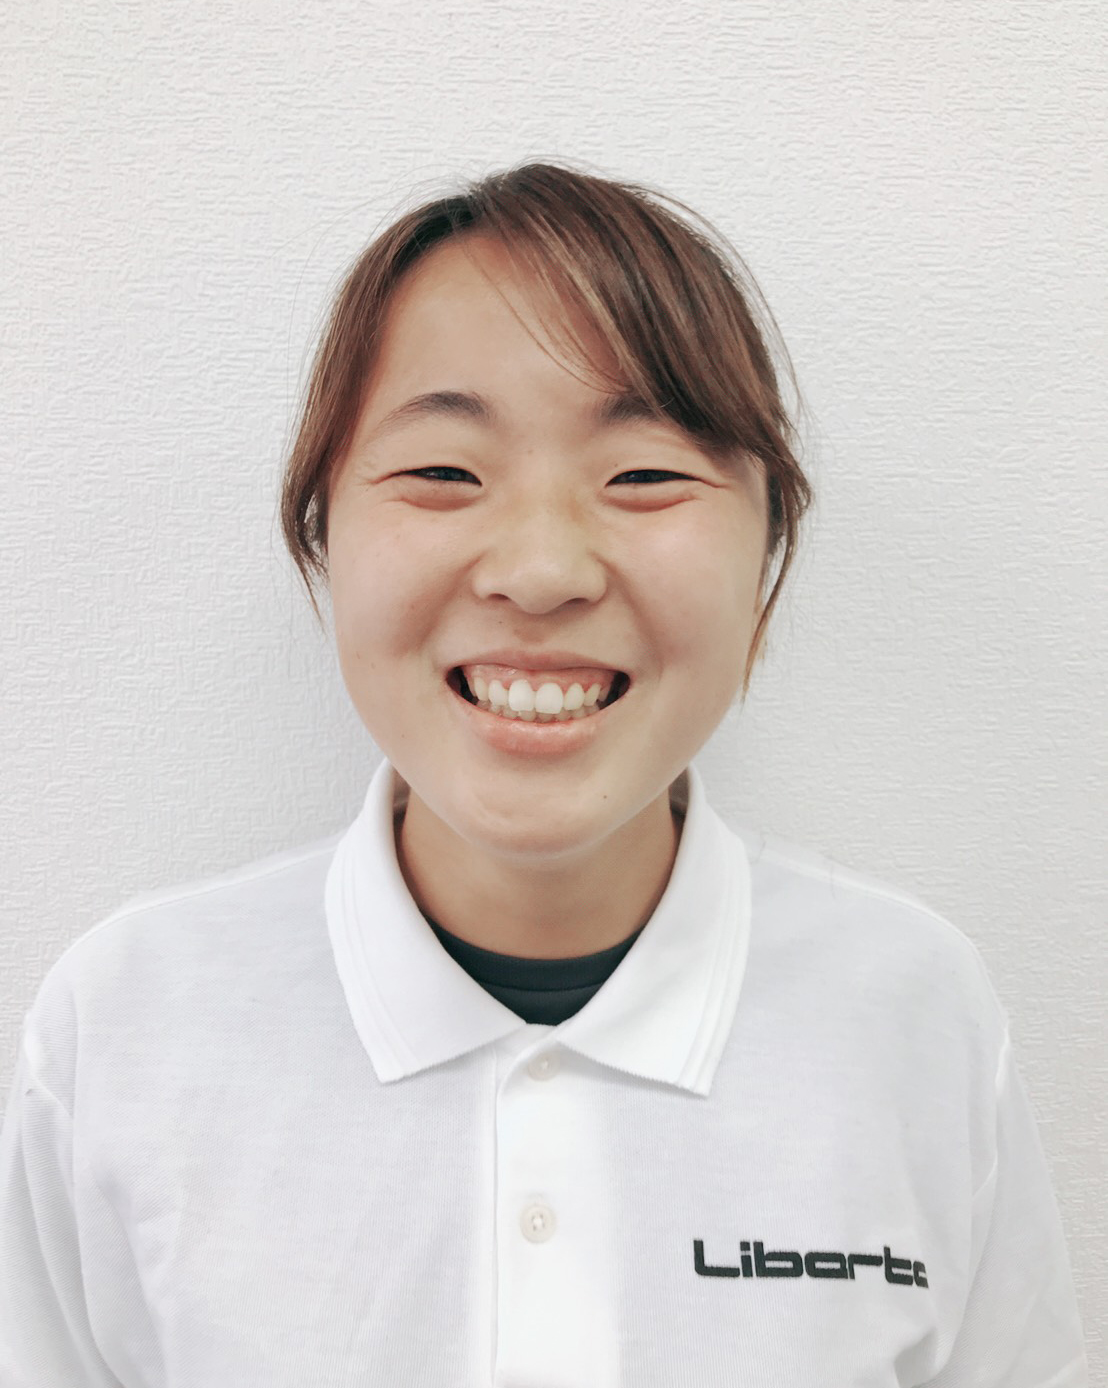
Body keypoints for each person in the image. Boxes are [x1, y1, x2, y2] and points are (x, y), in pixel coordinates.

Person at [0, 161, 1088, 1386]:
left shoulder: (916, 1014)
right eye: (443, 473)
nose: (540, 569)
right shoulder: (126, 1026)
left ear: (766, 564)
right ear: (323, 539)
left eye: (644, 475)